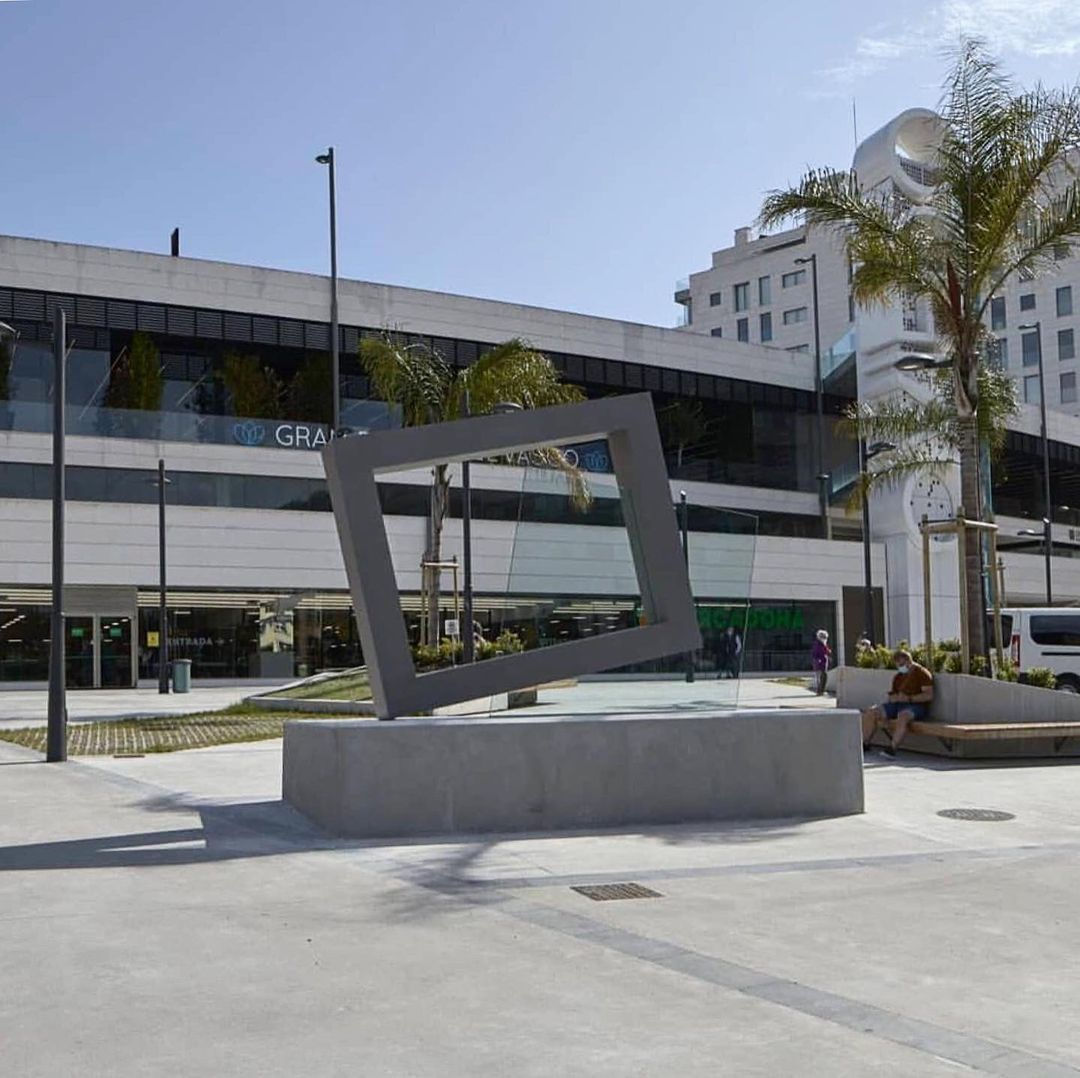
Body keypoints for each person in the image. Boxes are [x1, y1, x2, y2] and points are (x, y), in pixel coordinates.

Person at [861, 648, 934, 756]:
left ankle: (892, 748)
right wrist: (893, 698)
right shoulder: (899, 676)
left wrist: (909, 698)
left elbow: (928, 695)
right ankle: (864, 743)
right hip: (897, 704)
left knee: (903, 716)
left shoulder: (922, 674)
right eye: (898, 665)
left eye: (901, 664)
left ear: (908, 661)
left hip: (916, 706)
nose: (900, 667)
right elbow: (893, 694)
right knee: (872, 711)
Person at [811, 629, 831, 694]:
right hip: (819, 663)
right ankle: (820, 691)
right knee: (820, 678)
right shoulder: (818, 644)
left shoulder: (823, 644)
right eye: (824, 637)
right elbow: (816, 653)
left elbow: (827, 651)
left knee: (823, 677)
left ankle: (821, 690)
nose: (825, 639)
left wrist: (828, 652)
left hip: (823, 663)